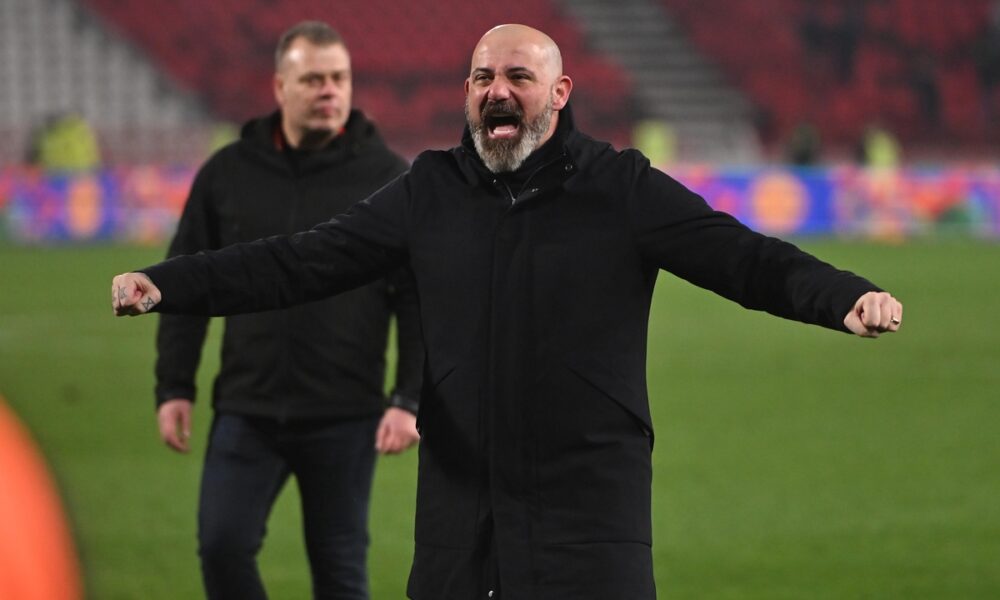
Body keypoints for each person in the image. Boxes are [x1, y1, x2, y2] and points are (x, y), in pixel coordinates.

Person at [113, 24, 903, 600]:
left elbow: (745, 259)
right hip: (463, 515)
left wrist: (843, 299)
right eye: (483, 76)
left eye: (519, 77)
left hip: (592, 510)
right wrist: (171, 283)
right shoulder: (429, 190)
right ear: (466, 92)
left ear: (559, 94)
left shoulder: (620, 188)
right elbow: (300, 261)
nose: (498, 90)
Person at [151, 21, 422, 600]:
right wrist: (174, 385)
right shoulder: (227, 173)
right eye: (314, 79)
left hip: (345, 413)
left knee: (340, 573)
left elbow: (417, 301)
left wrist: (408, 399)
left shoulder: (390, 180)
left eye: (340, 79)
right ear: (280, 87)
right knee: (222, 547)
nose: (330, 91)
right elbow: (187, 282)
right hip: (247, 408)